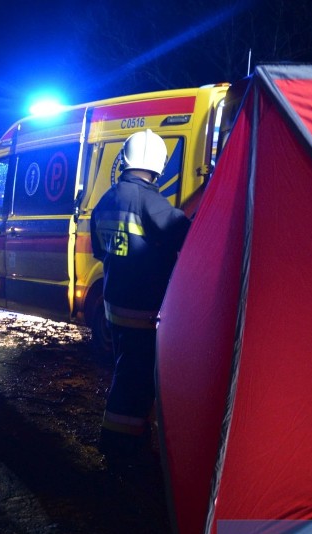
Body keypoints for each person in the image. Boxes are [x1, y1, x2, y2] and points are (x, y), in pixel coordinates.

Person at [89, 129, 191, 464]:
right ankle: (122, 452)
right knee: (136, 381)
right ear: (158, 165)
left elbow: (99, 249)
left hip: (114, 305)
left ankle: (119, 442)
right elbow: (186, 236)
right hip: (142, 309)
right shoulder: (150, 200)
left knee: (124, 371)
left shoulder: (107, 199)